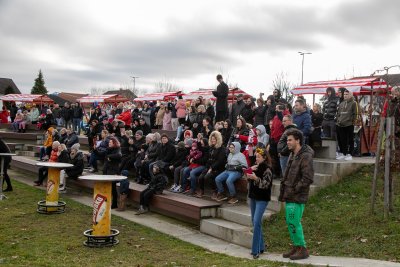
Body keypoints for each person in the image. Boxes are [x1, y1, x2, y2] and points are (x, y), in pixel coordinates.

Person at [279, 130, 314, 260]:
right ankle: (296, 246)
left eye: (290, 140)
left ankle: (302, 248)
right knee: (290, 221)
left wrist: (295, 189)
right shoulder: (293, 154)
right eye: (287, 140)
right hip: (289, 194)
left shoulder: (306, 156)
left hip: (297, 196)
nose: (287, 142)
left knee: (294, 221)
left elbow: (308, 178)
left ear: (298, 140)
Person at [246, 147, 273, 259]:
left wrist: (255, 178)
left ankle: (255, 250)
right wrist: (249, 170)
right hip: (253, 197)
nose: (256, 159)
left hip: (262, 199)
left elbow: (265, 185)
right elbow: (248, 179)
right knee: (254, 221)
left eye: (258, 157)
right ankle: (261, 247)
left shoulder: (268, 169)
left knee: (257, 222)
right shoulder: (255, 167)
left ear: (264, 158)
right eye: (256, 156)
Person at [197, 131, 226, 198]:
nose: (212, 140)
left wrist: (212, 168)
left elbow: (220, 161)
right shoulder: (211, 147)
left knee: (208, 177)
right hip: (209, 167)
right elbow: (202, 149)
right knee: (201, 177)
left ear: (217, 139)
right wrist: (199, 141)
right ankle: (202, 190)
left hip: (218, 168)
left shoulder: (222, 149)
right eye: (212, 139)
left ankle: (214, 191)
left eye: (214, 139)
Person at [336, 89, 358, 161]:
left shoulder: (353, 103)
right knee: (342, 140)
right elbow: (338, 113)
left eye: (347, 94)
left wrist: (353, 122)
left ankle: (349, 154)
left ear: (350, 95)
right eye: (344, 94)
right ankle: (343, 153)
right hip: (340, 124)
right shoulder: (342, 103)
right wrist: (338, 120)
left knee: (350, 140)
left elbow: (355, 114)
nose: (345, 96)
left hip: (349, 124)